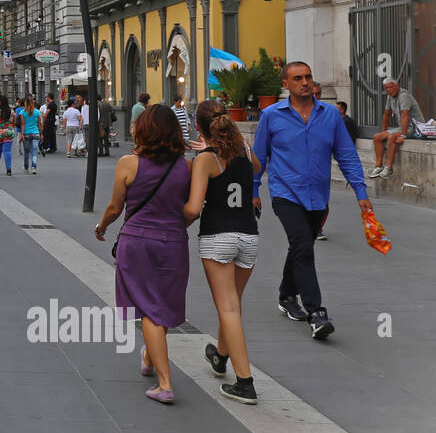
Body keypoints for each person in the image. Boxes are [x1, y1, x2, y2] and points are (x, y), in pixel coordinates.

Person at [252, 61, 372, 340]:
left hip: (318, 195)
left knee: (300, 246)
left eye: (308, 77)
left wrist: (361, 192)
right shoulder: (271, 115)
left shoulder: (330, 115)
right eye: (297, 78)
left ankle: (285, 295)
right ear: (286, 84)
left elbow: (346, 154)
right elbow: (258, 157)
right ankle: (317, 313)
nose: (304, 82)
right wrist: (254, 190)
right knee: (304, 245)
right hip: (285, 192)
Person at [94, 104, 191, 404]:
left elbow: (115, 206)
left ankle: (165, 384)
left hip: (137, 242)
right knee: (161, 304)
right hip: (174, 241)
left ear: (142, 130)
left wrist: (101, 226)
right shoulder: (185, 166)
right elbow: (191, 208)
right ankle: (149, 358)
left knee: (149, 310)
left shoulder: (128, 163)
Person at [183, 99, 261, 405]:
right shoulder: (243, 149)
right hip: (249, 236)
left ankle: (245, 382)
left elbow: (193, 207)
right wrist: (237, 141)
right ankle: (220, 356)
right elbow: (256, 167)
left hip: (217, 237)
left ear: (199, 127)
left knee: (228, 309)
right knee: (233, 304)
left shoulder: (206, 159)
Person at [370, 77, 424, 179]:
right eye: (387, 88)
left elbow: (405, 114)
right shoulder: (390, 96)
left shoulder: (403, 95)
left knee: (391, 137)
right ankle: (378, 166)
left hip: (416, 128)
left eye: (391, 87)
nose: (389, 90)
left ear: (397, 86)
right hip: (403, 127)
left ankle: (389, 168)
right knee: (377, 137)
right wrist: (384, 131)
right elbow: (387, 114)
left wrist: (403, 135)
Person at [19, 96, 42, 174]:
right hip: (36, 133)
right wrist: (41, 134)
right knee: (34, 151)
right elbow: (39, 124)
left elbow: (23, 124)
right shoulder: (37, 112)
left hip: (26, 134)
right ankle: (34, 167)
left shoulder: (22, 112)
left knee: (26, 151)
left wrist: (22, 134)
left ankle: (26, 167)